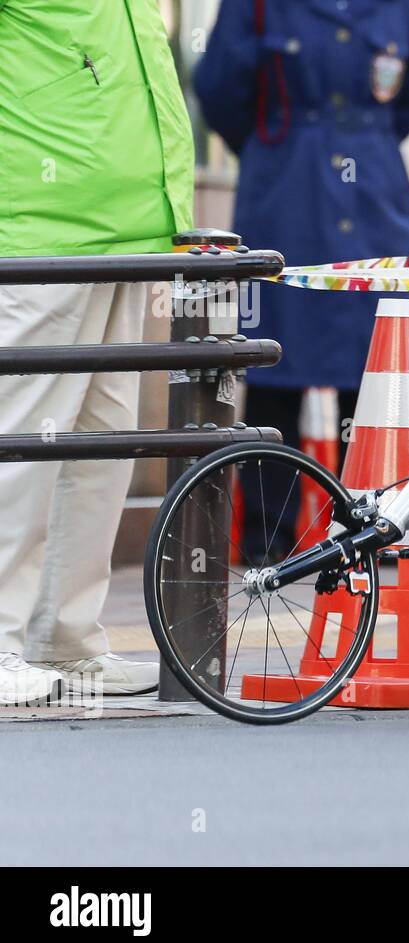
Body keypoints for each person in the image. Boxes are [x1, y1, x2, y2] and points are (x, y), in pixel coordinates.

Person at [0, 0, 194, 703]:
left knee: (101, 446)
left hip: (125, 224)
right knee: (21, 445)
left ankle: (65, 639)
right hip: (41, 226)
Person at [194, 0, 409, 562]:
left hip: (374, 193)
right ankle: (268, 540)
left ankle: (372, 528)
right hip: (286, 190)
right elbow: (220, 87)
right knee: (276, 369)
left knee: (377, 371)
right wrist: (284, 142)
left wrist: (357, 133)